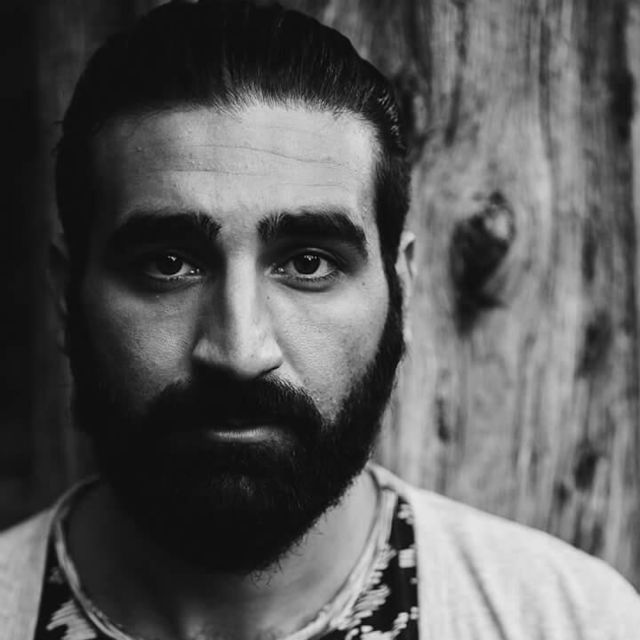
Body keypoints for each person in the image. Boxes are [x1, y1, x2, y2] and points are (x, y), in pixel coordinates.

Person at [1, 1, 639, 638]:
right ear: (66, 297)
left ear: (401, 288)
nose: (241, 351)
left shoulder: (573, 622)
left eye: (308, 263)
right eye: (168, 264)